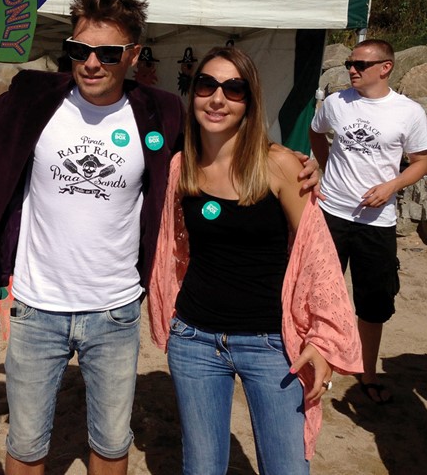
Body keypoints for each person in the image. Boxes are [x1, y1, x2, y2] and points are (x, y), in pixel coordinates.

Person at [0, 0, 320, 474]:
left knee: (110, 442)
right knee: (27, 444)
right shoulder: (34, 95)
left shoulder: (160, 110)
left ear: (133, 54)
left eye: (107, 51)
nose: (92, 62)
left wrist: (286, 156)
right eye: (80, 49)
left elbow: (220, 142)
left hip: (116, 313)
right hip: (38, 308)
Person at [148, 46, 363, 474]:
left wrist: (321, 340)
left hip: (272, 345)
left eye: (234, 88)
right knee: (202, 467)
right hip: (194, 340)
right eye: (207, 85)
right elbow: (170, 249)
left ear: (250, 100)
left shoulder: (280, 165)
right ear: (193, 94)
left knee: (286, 467)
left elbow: (318, 260)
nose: (217, 98)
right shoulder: (181, 166)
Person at [309, 39, 427, 405]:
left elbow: (421, 161)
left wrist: (392, 185)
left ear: (386, 67)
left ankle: (367, 370)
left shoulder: (408, 112)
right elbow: (317, 132)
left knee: (373, 302)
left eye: (360, 63)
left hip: (377, 222)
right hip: (332, 213)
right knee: (319, 293)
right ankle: (317, 361)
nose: (352, 69)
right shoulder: (335, 103)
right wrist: (328, 166)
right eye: (349, 62)